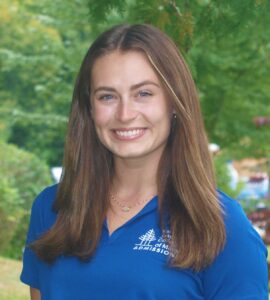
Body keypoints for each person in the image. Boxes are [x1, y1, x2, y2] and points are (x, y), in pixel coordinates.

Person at [20, 24, 268, 300]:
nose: (125, 114)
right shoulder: (52, 208)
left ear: (174, 103)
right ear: (89, 108)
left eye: (144, 93)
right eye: (107, 96)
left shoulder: (222, 226)